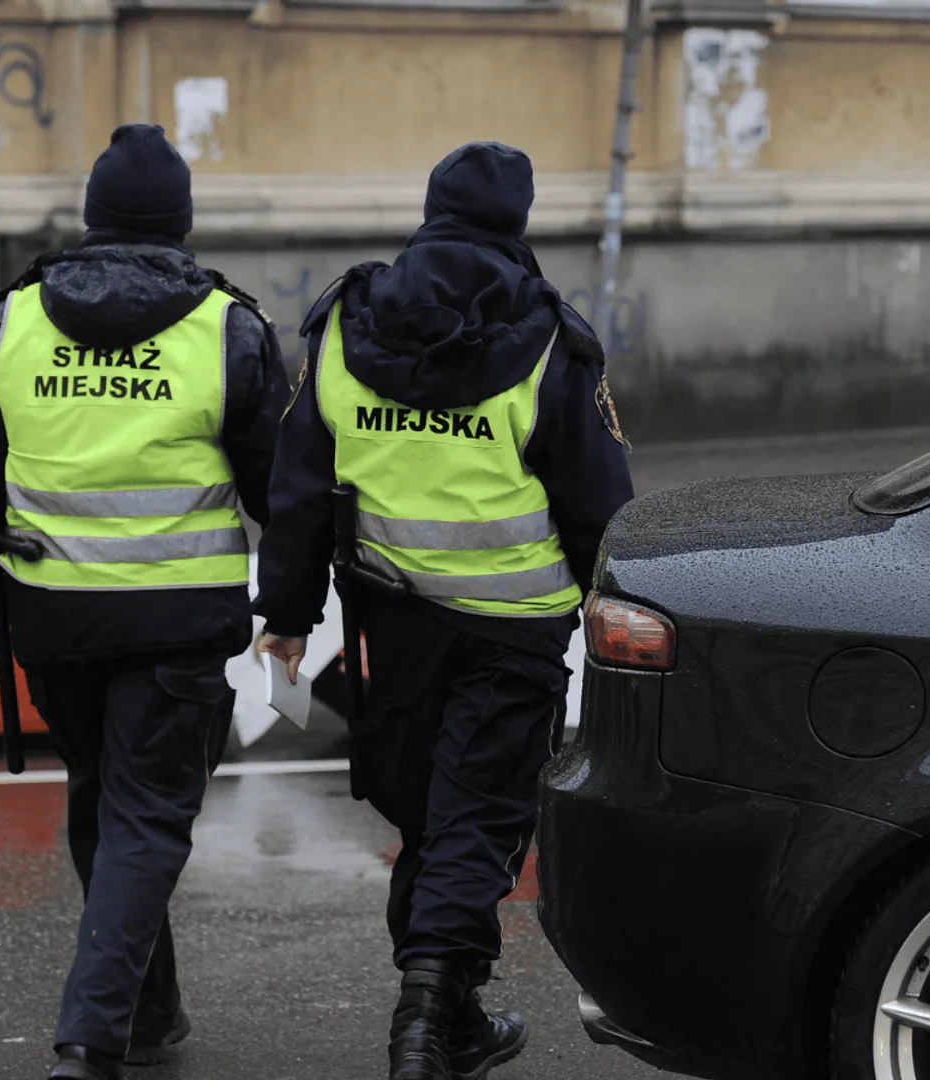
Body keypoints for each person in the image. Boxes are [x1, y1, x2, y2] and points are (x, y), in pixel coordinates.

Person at [253, 141, 634, 1080]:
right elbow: (597, 500)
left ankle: (448, 1014)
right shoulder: (550, 335)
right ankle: (427, 1022)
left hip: (394, 621)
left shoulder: (347, 322)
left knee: (433, 816)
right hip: (515, 628)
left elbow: (300, 482)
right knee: (477, 820)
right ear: (518, 221)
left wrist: (289, 613)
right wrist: (613, 605)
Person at [0, 123, 287, 1080]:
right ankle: (89, 1038)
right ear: (182, 222)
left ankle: (148, 1007)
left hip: (54, 616)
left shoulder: (21, 318)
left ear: (92, 218)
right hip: (174, 622)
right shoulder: (227, 327)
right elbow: (279, 489)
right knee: (146, 817)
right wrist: (295, 596)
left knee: (105, 804)